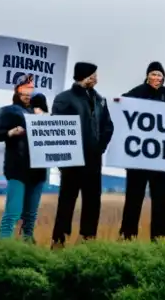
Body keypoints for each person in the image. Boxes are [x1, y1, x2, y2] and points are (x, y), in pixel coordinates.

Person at [51, 61, 115, 247]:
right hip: (72, 160)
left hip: (94, 160)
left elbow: (108, 126)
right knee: (67, 201)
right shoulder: (64, 98)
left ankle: (88, 239)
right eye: (92, 75)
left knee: (93, 201)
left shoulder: (99, 99)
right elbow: (58, 128)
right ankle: (59, 239)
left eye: (96, 75)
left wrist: (100, 147)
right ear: (82, 76)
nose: (96, 78)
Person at [119, 61, 165, 241]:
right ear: (147, 76)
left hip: (160, 156)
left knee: (161, 199)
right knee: (133, 197)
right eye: (153, 74)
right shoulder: (136, 93)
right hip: (138, 156)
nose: (156, 78)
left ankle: (161, 238)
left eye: (159, 75)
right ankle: (128, 236)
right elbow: (122, 106)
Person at [0, 79, 49, 241]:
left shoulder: (41, 112)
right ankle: (3, 248)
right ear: (17, 90)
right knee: (12, 213)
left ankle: (28, 248)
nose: (29, 93)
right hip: (18, 168)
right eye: (25, 89)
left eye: (31, 89)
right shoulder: (8, 111)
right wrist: (10, 132)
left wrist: (43, 114)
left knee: (30, 217)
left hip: (38, 169)